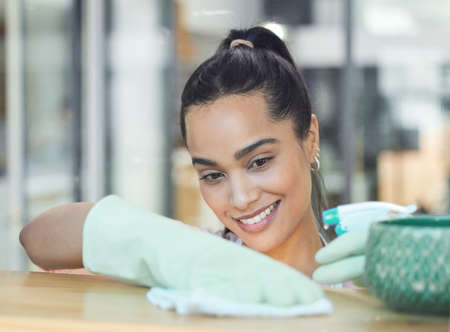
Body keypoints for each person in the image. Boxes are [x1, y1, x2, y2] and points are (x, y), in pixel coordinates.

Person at [20, 27, 356, 289]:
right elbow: (37, 238)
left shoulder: (362, 277)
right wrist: (162, 242)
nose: (240, 198)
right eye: (213, 175)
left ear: (310, 139)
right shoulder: (197, 260)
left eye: (259, 161)